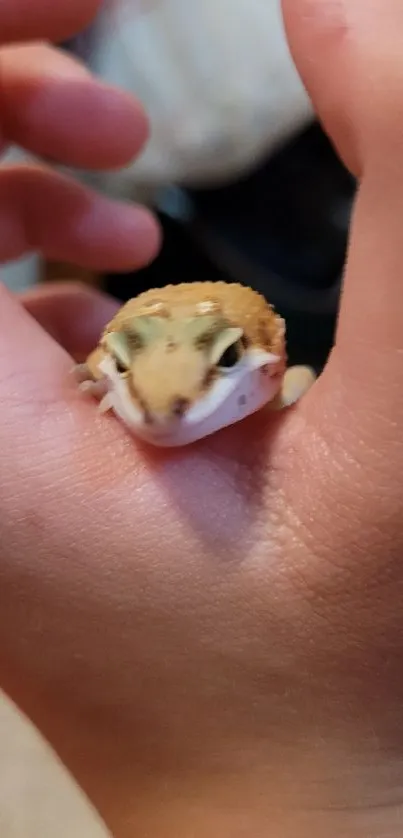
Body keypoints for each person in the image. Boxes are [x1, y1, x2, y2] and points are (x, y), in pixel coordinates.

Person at [1, 1, 403, 836]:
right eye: (119, 374)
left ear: (262, 365)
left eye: (222, 372)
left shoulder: (277, 370)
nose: (162, 414)